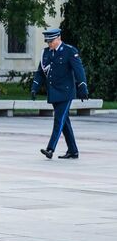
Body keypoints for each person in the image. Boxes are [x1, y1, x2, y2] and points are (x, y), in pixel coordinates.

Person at [32, 28, 88, 160]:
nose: (49, 44)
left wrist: (83, 86)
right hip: (54, 92)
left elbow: (79, 70)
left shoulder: (69, 51)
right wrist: (34, 87)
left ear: (58, 38)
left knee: (59, 120)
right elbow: (40, 72)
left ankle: (50, 149)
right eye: (48, 42)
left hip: (66, 92)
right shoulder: (46, 53)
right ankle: (73, 151)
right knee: (64, 122)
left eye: (51, 41)